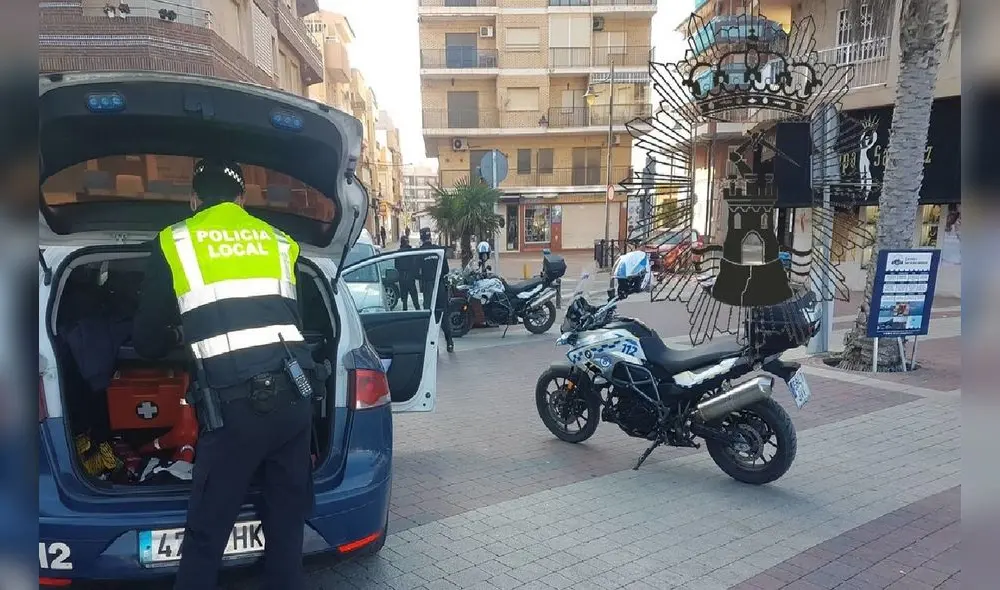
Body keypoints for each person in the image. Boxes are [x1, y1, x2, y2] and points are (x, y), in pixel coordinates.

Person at [131, 159, 317, 590]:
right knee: (286, 528)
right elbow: (291, 320)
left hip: (236, 411)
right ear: (242, 199)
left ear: (194, 199)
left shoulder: (176, 241)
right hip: (296, 398)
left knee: (206, 535)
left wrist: (179, 335)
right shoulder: (279, 241)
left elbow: (145, 339)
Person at [417, 227, 454, 353]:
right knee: (443, 315)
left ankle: (434, 347)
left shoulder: (420, 252)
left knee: (430, 316)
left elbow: (417, 273)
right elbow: (446, 270)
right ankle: (449, 342)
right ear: (430, 237)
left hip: (429, 287)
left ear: (421, 238)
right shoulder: (439, 251)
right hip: (440, 287)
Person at [396, 234, 420, 311]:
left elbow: (396, 266)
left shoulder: (398, 253)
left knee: (404, 300)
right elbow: (415, 264)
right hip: (411, 277)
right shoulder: (411, 252)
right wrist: (415, 275)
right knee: (415, 299)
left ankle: (405, 314)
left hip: (402, 278)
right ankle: (419, 312)